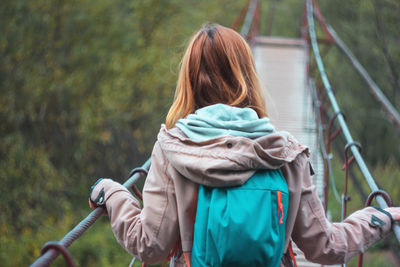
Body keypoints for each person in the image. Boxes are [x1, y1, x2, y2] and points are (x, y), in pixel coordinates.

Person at [89, 24, 400, 267]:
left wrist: (111, 192)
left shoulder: (173, 148)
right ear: (248, 75)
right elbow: (326, 247)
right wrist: (380, 218)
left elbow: (150, 246)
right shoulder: (286, 153)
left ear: (188, 80)